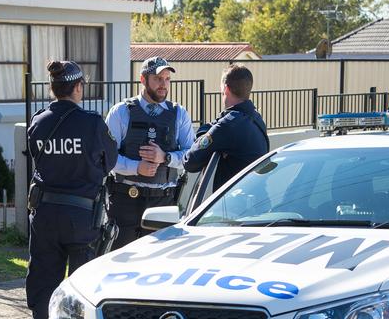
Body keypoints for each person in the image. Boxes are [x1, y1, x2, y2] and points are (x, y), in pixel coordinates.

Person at [26, 61, 117, 319]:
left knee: (43, 289)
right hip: (82, 219)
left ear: (53, 88)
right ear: (78, 87)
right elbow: (111, 161)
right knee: (83, 292)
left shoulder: (37, 123)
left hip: (45, 218)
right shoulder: (92, 123)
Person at [105, 56, 194, 249]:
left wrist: (166, 157)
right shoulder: (121, 112)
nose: (163, 85)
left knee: (160, 261)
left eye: (167, 79)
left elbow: (190, 155)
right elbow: (106, 158)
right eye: (157, 79)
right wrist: (137, 167)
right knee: (120, 260)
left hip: (163, 200)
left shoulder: (179, 113)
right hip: (125, 199)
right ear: (143, 80)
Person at [183, 64, 269, 192]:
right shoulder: (256, 118)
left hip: (234, 205)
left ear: (226, 89)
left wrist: (205, 135)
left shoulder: (228, 125)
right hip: (256, 200)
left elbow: (190, 161)